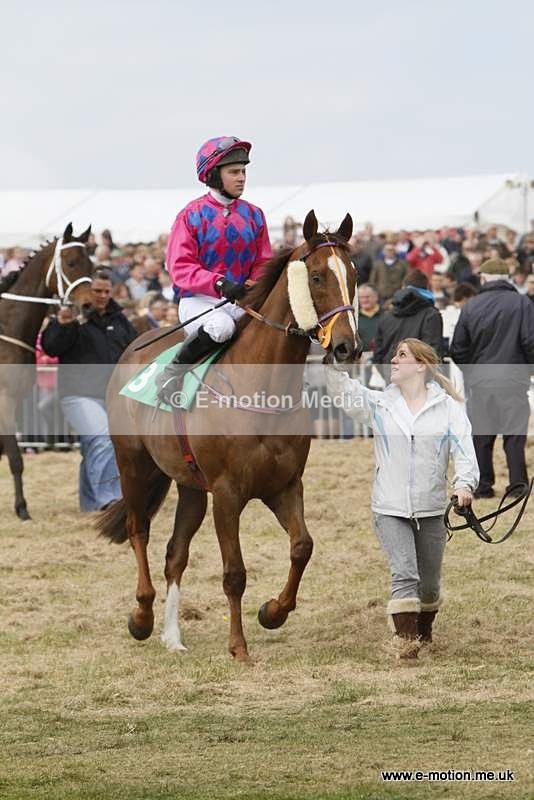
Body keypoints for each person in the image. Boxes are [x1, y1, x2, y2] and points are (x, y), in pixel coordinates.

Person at [326, 338, 479, 659]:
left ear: (421, 366)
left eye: (402, 355)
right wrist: (333, 362)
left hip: (432, 509)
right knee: (405, 575)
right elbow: (345, 393)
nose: (393, 361)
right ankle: (406, 647)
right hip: (389, 507)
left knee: (429, 587)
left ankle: (423, 634)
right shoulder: (381, 404)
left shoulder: (448, 409)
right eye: (394, 355)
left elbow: (465, 451)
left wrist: (464, 485)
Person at [157, 136, 272, 404]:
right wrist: (219, 284)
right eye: (234, 172)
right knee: (221, 327)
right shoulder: (191, 215)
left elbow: (263, 261)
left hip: (242, 299)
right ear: (213, 176)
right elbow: (180, 267)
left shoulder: (255, 215)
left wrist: (254, 285)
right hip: (200, 301)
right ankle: (172, 373)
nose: (242, 178)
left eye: (243, 171)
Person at [41, 270, 138, 511]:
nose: (102, 296)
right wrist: (63, 326)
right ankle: (110, 500)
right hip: (78, 394)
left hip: (112, 395)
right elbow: (50, 347)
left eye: (107, 291)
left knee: (93, 445)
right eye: (97, 291)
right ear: (87, 291)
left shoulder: (119, 319)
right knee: (103, 438)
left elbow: (135, 348)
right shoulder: (71, 316)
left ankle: (89, 504)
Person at [450, 258, 534, 499]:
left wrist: (473, 372)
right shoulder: (522, 303)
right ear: (507, 278)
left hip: (481, 380)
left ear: (483, 279)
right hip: (514, 378)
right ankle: (518, 485)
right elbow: (530, 342)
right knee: (515, 436)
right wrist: (527, 371)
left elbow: (458, 348)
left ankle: (483, 485)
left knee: (481, 436)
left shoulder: (471, 306)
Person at [374, 269, 444, 368]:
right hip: (418, 376)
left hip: (392, 374)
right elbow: (433, 352)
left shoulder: (386, 316)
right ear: (426, 289)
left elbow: (378, 355)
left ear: (403, 287)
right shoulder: (432, 315)